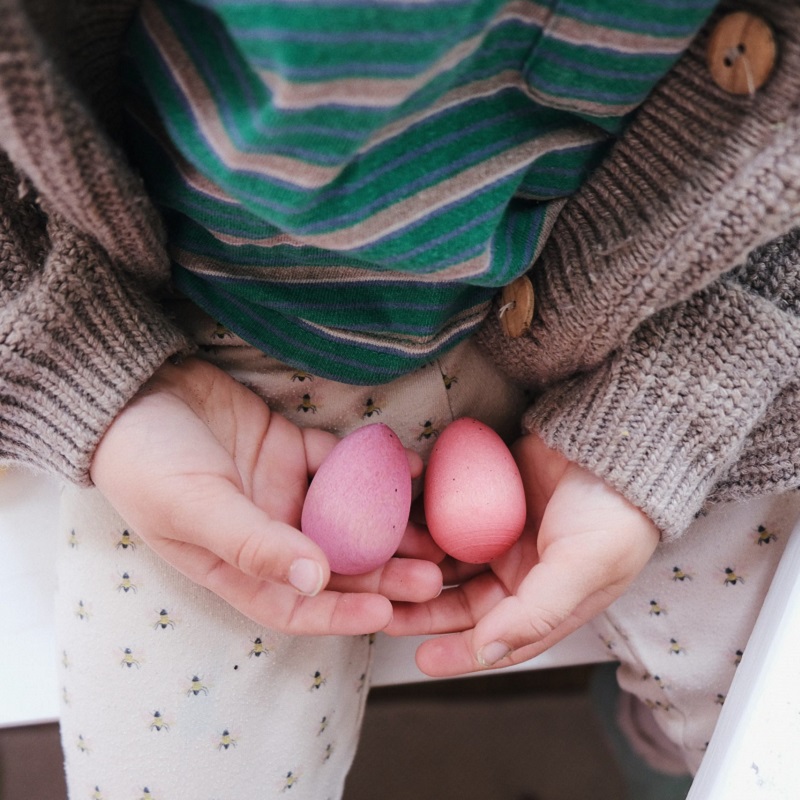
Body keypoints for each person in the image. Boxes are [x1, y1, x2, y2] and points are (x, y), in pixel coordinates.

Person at [1, 0, 799, 797]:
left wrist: (677, 405)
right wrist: (89, 371)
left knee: (776, 732)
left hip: (645, 334)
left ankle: (660, 730)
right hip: (208, 363)